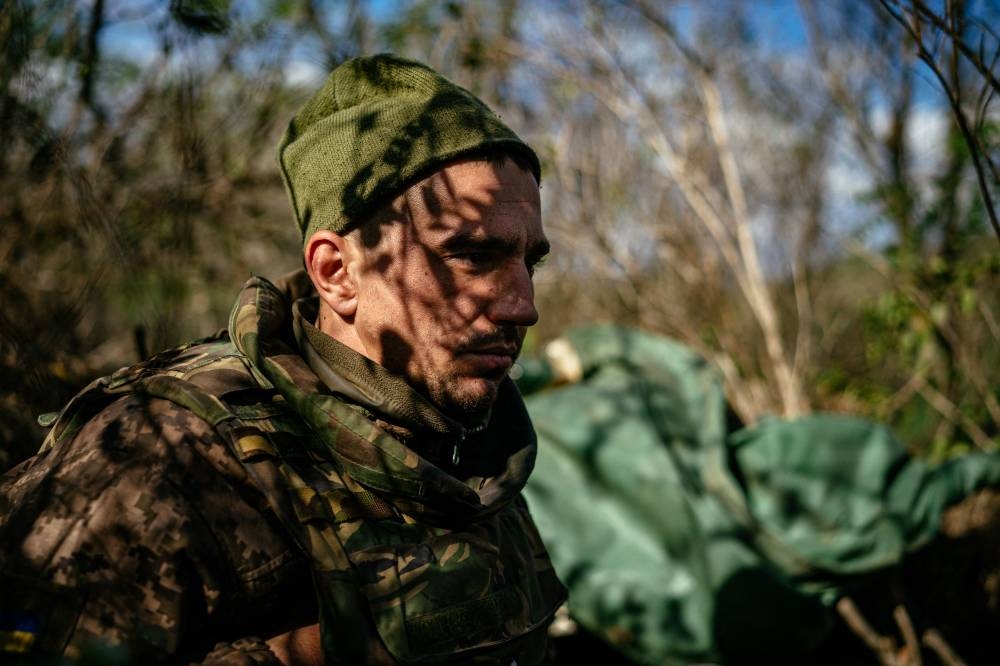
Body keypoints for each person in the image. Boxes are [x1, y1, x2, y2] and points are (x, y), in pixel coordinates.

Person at [0, 54, 566, 665]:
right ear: (336, 272)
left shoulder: (476, 450)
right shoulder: (163, 462)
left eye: (528, 262)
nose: (522, 306)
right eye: (473, 255)